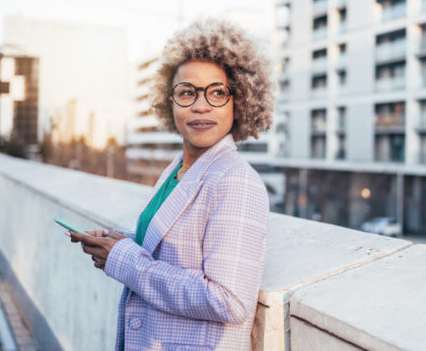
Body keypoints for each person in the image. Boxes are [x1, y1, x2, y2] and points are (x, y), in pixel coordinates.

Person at [69, 18, 275, 350]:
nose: (200, 105)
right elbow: (177, 249)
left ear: (241, 102)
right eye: (186, 92)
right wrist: (122, 243)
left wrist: (125, 260)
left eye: (218, 92)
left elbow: (229, 300)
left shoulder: (237, 181)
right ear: (170, 102)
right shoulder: (176, 169)